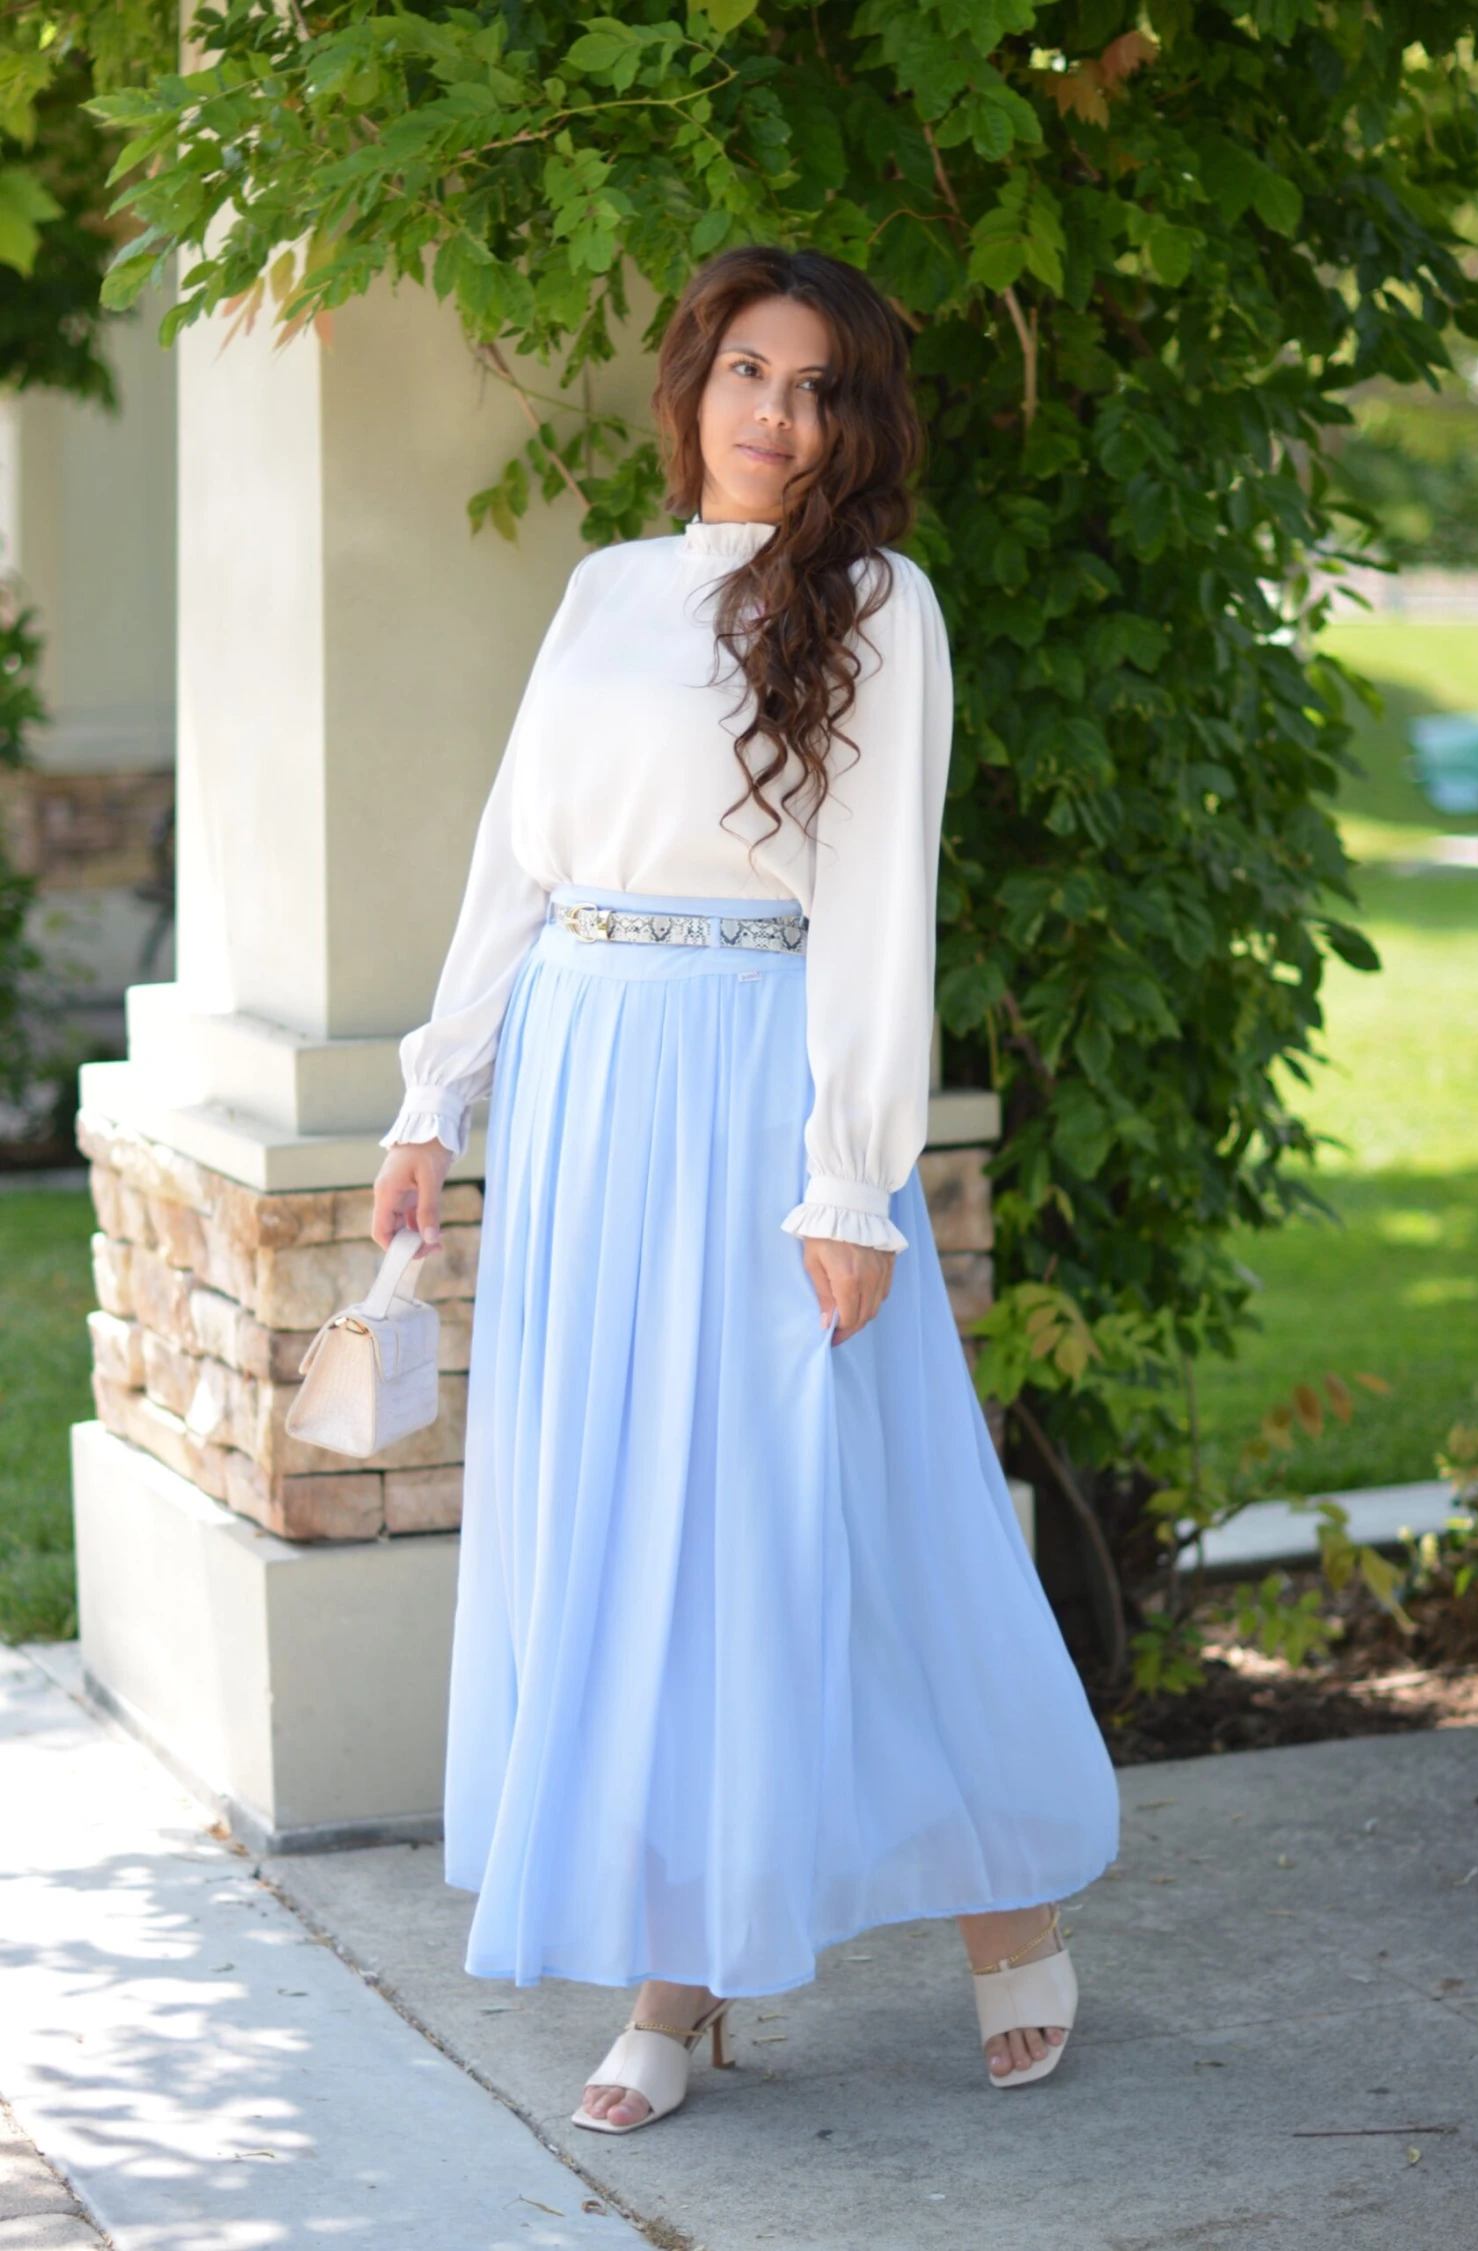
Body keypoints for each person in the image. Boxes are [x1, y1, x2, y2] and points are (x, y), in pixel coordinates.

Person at [371, 244, 1119, 2133]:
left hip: (751, 1089)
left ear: (856, 423)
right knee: (632, 1524)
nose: (779, 414)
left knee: (837, 1505)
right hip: (585, 1081)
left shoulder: (876, 603)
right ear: (692, 382)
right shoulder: (607, 588)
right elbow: (516, 856)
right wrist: (430, 1098)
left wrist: (851, 1182)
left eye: (820, 387)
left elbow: (876, 904)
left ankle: (1009, 1905)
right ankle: (677, 1974)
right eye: (750, 372)